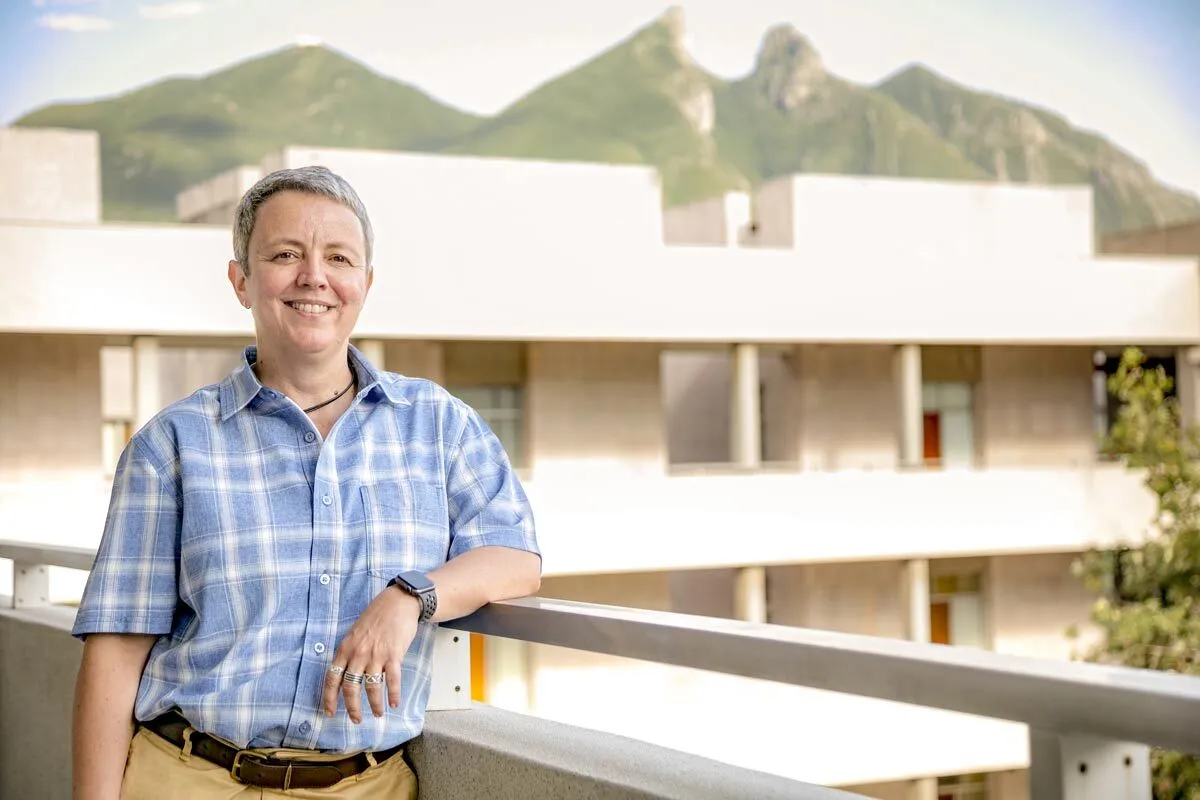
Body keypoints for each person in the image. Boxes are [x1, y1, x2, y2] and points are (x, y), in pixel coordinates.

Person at [69, 165, 542, 799]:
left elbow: (516, 558)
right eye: (285, 254)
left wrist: (411, 597)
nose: (313, 276)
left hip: (364, 787)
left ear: (365, 284)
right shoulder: (171, 445)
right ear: (241, 280)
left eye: (338, 257)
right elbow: (114, 656)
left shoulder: (439, 426)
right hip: (187, 776)